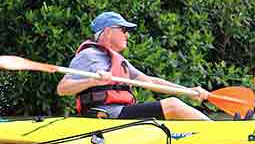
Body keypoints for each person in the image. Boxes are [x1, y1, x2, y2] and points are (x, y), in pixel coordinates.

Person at [56, 11, 211, 121]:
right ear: (108, 32)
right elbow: (62, 89)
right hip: (106, 114)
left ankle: (212, 130)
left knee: (171, 106)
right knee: (172, 105)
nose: (127, 35)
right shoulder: (88, 55)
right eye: (123, 30)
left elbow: (150, 82)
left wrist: (188, 91)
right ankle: (215, 131)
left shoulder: (119, 60)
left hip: (122, 112)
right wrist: (93, 81)